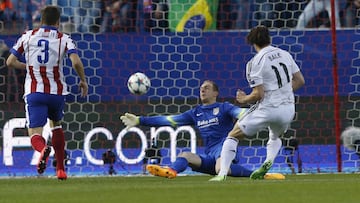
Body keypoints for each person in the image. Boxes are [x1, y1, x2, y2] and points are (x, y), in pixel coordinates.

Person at [120, 80, 285, 180]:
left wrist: (253, 114)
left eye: (206, 87)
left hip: (225, 152)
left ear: (216, 92)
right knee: (185, 155)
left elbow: (240, 112)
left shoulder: (224, 107)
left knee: (221, 169)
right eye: (201, 88)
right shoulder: (195, 112)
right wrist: (141, 120)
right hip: (210, 156)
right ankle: (170, 171)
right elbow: (168, 120)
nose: (202, 90)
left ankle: (260, 174)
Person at [209, 25, 305, 181]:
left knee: (232, 136)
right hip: (288, 110)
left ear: (252, 43)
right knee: (274, 137)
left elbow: (258, 94)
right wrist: (283, 92)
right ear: (269, 38)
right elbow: (300, 81)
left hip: (268, 109)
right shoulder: (285, 54)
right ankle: (268, 162)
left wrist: (243, 99)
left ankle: (222, 174)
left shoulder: (255, 62)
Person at [6, 5, 88, 180]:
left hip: (35, 92)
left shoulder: (27, 36)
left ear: (41, 20)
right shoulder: (64, 39)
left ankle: (42, 149)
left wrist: (28, 67)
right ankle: (61, 169)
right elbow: (76, 62)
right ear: (58, 22)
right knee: (56, 125)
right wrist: (83, 80)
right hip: (57, 93)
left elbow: (10, 61)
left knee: (35, 133)